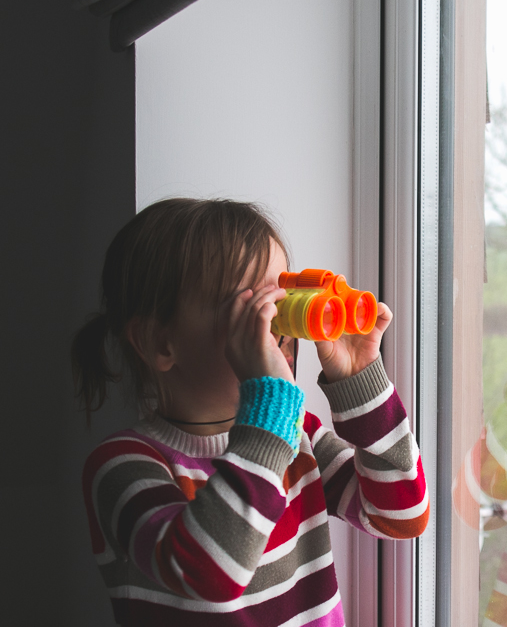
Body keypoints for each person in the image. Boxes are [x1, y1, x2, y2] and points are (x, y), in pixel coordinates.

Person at [73, 198, 428, 626]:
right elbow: (210, 573)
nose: (276, 322)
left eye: (280, 297)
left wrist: (359, 381)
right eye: (248, 309)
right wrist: (269, 412)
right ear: (160, 343)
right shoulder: (123, 466)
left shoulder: (298, 438)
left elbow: (400, 515)